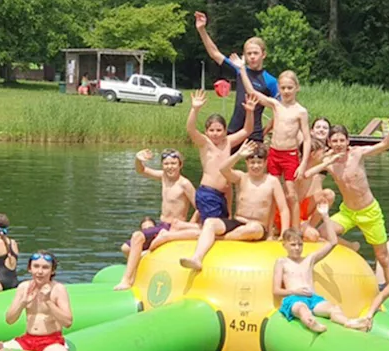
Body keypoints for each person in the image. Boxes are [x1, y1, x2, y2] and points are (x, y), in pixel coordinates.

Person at [303, 121, 389, 284]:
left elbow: (386, 144)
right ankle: (351, 246)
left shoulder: (357, 153)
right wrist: (326, 163)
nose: (338, 144)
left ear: (348, 141)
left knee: (383, 257)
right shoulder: (328, 159)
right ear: (329, 142)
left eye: (342, 140)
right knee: (323, 233)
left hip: (369, 211)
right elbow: (306, 173)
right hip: (348, 212)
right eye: (334, 141)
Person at [180, 142, 287, 271]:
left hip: (258, 227)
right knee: (209, 222)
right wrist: (238, 155)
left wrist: (284, 233)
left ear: (265, 163)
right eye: (252, 162)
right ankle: (197, 258)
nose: (255, 166)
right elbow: (223, 169)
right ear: (247, 163)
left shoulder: (272, 181)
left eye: (259, 162)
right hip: (238, 222)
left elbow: (283, 209)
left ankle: (217, 238)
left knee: (252, 229)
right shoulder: (241, 178)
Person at [4, 251, 87, 351]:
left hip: (51, 341)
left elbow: (68, 321)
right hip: (27, 339)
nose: (40, 271)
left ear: (52, 270)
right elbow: (9, 319)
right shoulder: (23, 288)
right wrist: (22, 303)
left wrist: (48, 301)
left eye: (45, 267)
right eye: (36, 267)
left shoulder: (58, 289)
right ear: (29, 268)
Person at [233, 60, 309, 232]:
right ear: (279, 89)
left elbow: (307, 138)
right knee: (271, 193)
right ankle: (271, 228)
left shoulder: (301, 111)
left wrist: (303, 163)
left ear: (297, 88)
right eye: (283, 88)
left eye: (290, 88)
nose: (286, 91)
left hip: (290, 155)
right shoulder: (276, 105)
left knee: (291, 193)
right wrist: (242, 70)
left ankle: (295, 230)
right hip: (274, 153)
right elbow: (252, 91)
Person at [272, 206, 368, 333]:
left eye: (300, 244)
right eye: (293, 245)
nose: (297, 248)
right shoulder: (282, 262)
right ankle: (312, 323)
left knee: (334, 309)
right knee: (302, 309)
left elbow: (333, 242)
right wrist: (295, 291)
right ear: (284, 245)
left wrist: (325, 216)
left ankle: (348, 322)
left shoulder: (309, 259)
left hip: (313, 298)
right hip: (294, 298)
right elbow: (276, 290)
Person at [116, 149, 199, 291]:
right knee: (125, 248)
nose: (170, 167)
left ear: (180, 165)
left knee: (137, 236)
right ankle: (143, 258)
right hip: (162, 225)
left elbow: (200, 207)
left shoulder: (184, 184)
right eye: (166, 164)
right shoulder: (163, 177)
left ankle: (127, 280)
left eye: (173, 163)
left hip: (172, 226)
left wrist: (188, 225)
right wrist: (138, 159)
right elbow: (141, 170)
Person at [194, 10, 279, 143]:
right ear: (244, 55)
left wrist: (265, 131)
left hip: (254, 134)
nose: (252, 56)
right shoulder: (240, 70)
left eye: (255, 53)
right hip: (234, 131)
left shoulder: (271, 81)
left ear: (263, 55)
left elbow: (279, 111)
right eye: (249, 53)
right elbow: (215, 54)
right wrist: (202, 30)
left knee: (254, 165)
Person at [186, 88, 257, 225]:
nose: (215, 133)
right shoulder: (204, 143)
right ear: (206, 132)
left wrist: (249, 112)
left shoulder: (228, 142)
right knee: (214, 227)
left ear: (225, 131)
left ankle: (184, 227)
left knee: (219, 226)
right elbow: (191, 129)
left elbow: (247, 130)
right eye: (211, 130)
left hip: (223, 196)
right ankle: (179, 231)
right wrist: (195, 109)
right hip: (208, 193)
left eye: (219, 130)